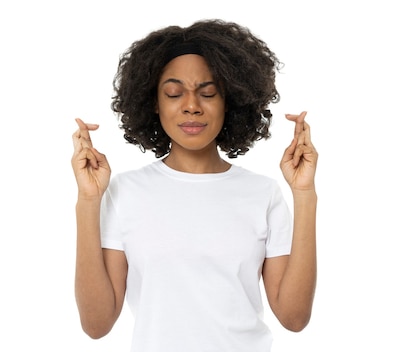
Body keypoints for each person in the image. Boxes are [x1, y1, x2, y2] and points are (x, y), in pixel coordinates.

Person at [71, 19, 317, 352]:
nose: (191, 105)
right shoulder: (124, 192)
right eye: (174, 93)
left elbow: (294, 317)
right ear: (153, 103)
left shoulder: (262, 194)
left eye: (208, 92)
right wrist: (88, 201)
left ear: (229, 101)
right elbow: (97, 325)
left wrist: (304, 194)